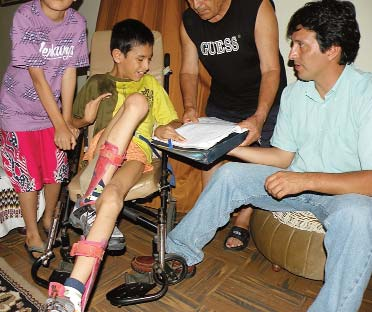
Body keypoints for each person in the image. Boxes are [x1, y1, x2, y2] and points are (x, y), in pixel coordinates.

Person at [135, 0, 372, 311]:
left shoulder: (365, 94)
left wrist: (304, 180)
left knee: (358, 215)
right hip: (296, 183)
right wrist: (225, 147)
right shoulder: (295, 93)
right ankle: (179, 252)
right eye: (292, 45)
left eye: (301, 45)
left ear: (332, 50)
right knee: (229, 174)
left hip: (346, 195)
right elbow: (283, 157)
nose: (291, 55)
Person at [41, 19, 184, 312]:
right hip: (101, 151)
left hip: (138, 155)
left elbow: (171, 120)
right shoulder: (96, 83)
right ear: (118, 55)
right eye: (140, 59)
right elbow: (71, 126)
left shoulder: (151, 85)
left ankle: (71, 294)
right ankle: (92, 201)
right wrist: (86, 119)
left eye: (149, 60)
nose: (146, 66)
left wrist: (163, 130)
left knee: (113, 197)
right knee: (136, 104)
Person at [180, 0, 287, 250]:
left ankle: (243, 220)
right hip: (223, 101)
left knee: (257, 161)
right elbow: (188, 70)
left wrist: (259, 117)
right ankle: (207, 219)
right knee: (211, 158)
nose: (196, 4)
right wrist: (189, 107)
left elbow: (271, 68)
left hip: (265, 102)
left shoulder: (256, 7)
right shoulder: (190, 21)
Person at [0, 0, 88, 259]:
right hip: (16, 110)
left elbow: (70, 72)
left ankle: (49, 217)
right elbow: (36, 75)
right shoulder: (26, 15)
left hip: (52, 111)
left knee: (56, 169)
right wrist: (60, 124)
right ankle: (31, 233)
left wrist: (67, 118)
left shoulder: (76, 23)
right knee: (26, 173)